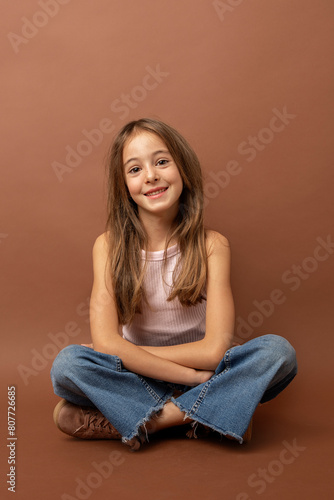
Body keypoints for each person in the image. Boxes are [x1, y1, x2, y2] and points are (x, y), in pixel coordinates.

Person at [51, 118, 297, 451]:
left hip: (198, 368)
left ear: (182, 169)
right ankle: (209, 409)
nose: (150, 175)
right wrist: (194, 381)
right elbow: (105, 345)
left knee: (277, 353)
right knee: (68, 365)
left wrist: (128, 353)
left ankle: (155, 420)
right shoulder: (107, 246)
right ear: (123, 185)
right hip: (142, 377)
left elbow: (213, 353)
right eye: (134, 169)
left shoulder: (213, 245)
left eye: (162, 162)